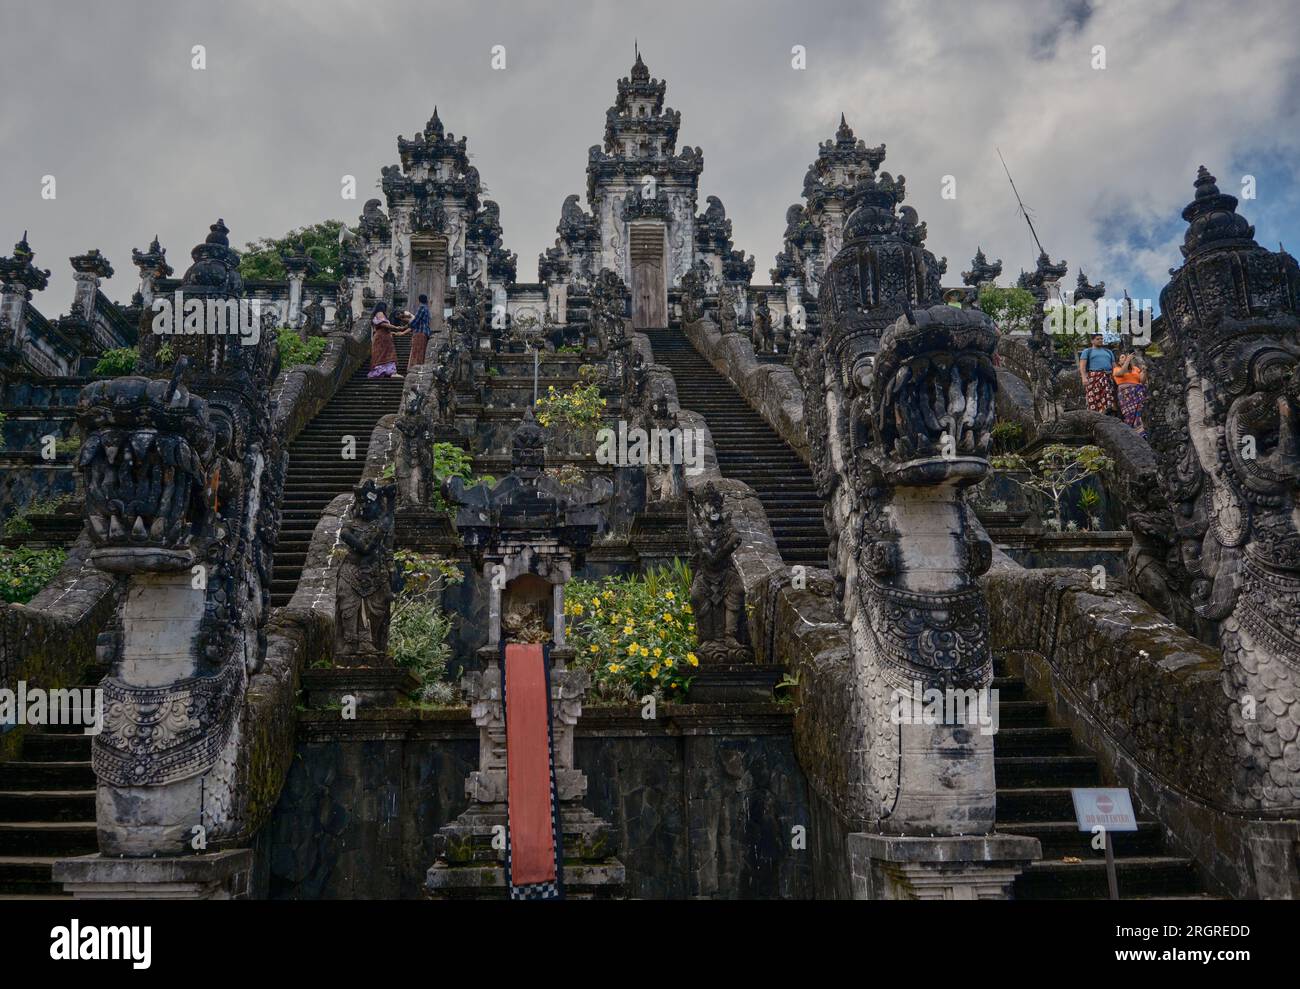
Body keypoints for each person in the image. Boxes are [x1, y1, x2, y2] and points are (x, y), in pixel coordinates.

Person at [368, 301, 409, 379]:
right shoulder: (380, 313)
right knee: (386, 353)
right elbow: (383, 324)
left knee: (382, 354)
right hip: (382, 337)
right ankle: (390, 372)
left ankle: (384, 371)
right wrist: (396, 328)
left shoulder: (376, 314)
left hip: (382, 337)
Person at [1077, 333, 1117, 414]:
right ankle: (1095, 416)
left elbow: (1114, 366)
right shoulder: (1087, 351)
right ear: (1092, 341)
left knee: (1108, 398)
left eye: (1101, 339)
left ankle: (1106, 415)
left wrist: (1115, 377)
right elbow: (1082, 366)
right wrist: (1084, 378)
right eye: (1098, 339)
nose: (1100, 340)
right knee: (1094, 398)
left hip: (1108, 376)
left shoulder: (1108, 351)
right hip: (1094, 377)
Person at [1113, 349, 1148, 438]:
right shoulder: (1116, 369)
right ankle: (1133, 434)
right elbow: (1122, 372)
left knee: (1140, 411)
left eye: (1125, 357)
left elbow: (1142, 381)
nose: (1124, 358)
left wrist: (1144, 371)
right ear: (1119, 361)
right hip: (1126, 395)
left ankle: (1142, 432)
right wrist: (1128, 360)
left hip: (1138, 392)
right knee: (1129, 415)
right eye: (1122, 357)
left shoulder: (1135, 369)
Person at [408, 293, 432, 368]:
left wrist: (409, 324)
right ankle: (419, 367)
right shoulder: (427, 309)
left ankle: (415, 367)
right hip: (425, 333)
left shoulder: (422, 308)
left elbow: (416, 320)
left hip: (420, 332)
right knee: (421, 351)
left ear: (419, 301)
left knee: (417, 351)